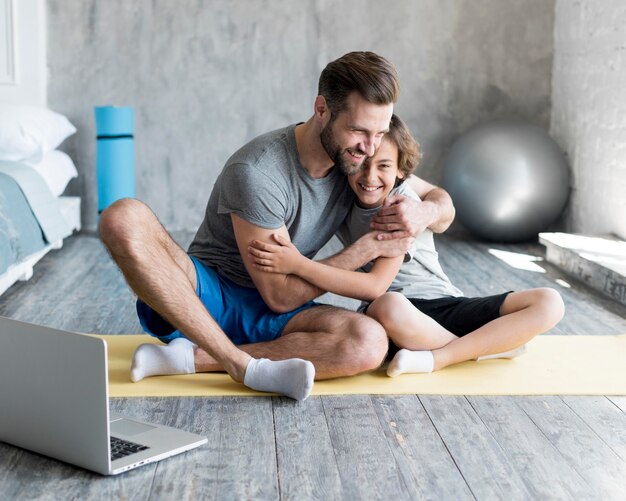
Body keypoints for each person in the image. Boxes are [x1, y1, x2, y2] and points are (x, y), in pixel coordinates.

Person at [99, 52, 456, 401]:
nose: (369, 147)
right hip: (208, 297)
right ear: (321, 110)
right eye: (358, 131)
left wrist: (424, 213)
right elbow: (280, 295)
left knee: (370, 342)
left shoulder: (358, 166)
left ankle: (190, 358)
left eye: (379, 133)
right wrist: (363, 250)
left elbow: (440, 200)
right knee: (123, 216)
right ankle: (239, 364)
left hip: (275, 316)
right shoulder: (258, 172)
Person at [248, 115, 565, 376]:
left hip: (442, 303)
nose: (370, 176)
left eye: (383, 166)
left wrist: (298, 264)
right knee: (389, 306)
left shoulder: (398, 206)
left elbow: (375, 285)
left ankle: (441, 358)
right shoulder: (342, 190)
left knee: (549, 301)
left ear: (400, 171)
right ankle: (489, 347)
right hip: (395, 320)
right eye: (362, 164)